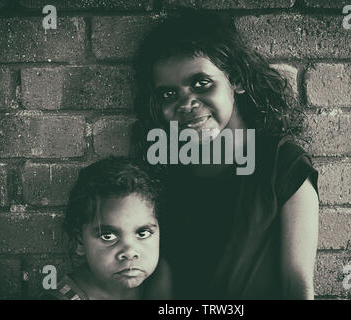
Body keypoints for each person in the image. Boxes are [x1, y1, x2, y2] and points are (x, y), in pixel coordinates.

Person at [132, 10, 319, 299]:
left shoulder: (281, 163)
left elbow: (297, 285)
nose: (187, 103)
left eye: (201, 83)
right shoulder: (164, 169)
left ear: (236, 80)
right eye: (168, 94)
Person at [41, 157, 172, 300]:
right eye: (108, 236)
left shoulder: (162, 275)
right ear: (80, 242)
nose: (129, 253)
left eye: (143, 233)